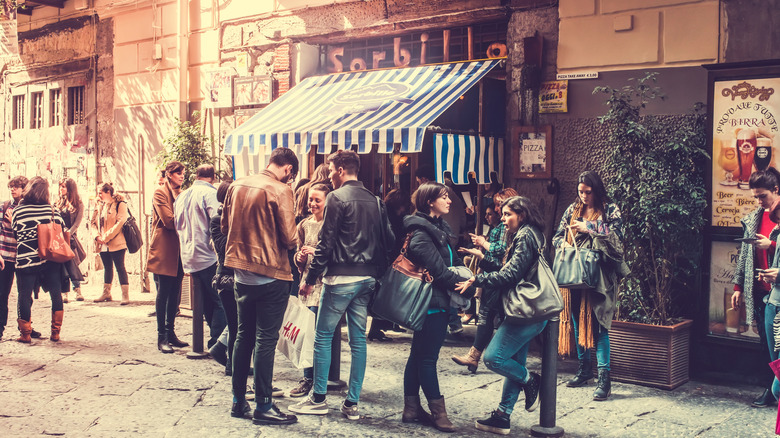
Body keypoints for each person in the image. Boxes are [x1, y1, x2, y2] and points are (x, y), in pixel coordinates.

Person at [290, 150, 394, 421]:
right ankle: (352, 404)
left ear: (339, 170)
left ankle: (319, 398)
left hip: (340, 279)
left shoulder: (336, 197)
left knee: (323, 336)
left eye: (331, 170)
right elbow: (389, 241)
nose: (330, 175)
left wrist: (310, 280)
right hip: (367, 279)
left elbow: (325, 244)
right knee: (359, 341)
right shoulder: (375, 200)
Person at [455, 196, 548, 435]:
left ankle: (530, 380)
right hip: (527, 310)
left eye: (507, 214)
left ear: (522, 214)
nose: (503, 219)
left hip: (527, 311)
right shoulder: (528, 234)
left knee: (493, 357)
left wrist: (478, 279)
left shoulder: (526, 236)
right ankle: (503, 416)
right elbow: (507, 270)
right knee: (513, 362)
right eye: (503, 214)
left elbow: (511, 275)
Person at [221, 147, 299, 425]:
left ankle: (238, 401)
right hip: (271, 273)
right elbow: (290, 238)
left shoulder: (237, 184)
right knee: (265, 341)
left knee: (243, 337)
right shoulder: (280, 189)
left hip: (241, 273)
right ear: (288, 169)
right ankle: (264, 405)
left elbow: (223, 226)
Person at [399, 181, 470, 432]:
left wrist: (465, 274)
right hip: (431, 302)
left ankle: (411, 409)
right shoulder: (423, 232)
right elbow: (439, 271)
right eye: (444, 197)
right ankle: (439, 414)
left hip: (436, 300)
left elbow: (450, 260)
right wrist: (464, 285)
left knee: (418, 355)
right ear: (430, 202)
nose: (449, 201)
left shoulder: (437, 227)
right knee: (427, 358)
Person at [553, 171, 624, 402]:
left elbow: (618, 237)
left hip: (600, 275)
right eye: (580, 191)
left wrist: (590, 228)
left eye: (587, 192)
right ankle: (584, 371)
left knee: (601, 324)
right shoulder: (571, 210)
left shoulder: (610, 208)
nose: (583, 196)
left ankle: (605, 380)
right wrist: (563, 241)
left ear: (596, 190)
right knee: (576, 321)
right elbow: (556, 236)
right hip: (575, 273)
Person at [452, 188, 518, 373]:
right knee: (488, 315)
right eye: (498, 206)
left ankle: (493, 356)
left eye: (500, 205)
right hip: (494, 273)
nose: (498, 210)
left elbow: (503, 250)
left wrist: (483, 245)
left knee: (496, 315)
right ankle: (475, 357)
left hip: (502, 276)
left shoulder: (516, 229)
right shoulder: (502, 226)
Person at [733, 168, 780, 408]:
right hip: (762, 291)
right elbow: (744, 255)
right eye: (755, 197)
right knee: (768, 345)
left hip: (779, 293)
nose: (759, 202)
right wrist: (738, 286)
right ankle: (770, 390)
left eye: (762, 196)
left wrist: (770, 245)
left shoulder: (778, 217)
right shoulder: (754, 217)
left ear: (776, 190)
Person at [174, 164, 227, 349]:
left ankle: (213, 340)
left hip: (188, 255)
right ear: (213, 177)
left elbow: (176, 225)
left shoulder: (181, 196)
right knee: (220, 300)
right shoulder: (210, 194)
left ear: (196, 176)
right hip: (208, 255)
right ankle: (217, 343)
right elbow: (218, 224)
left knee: (205, 300)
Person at [12, 177, 66, 343]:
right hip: (50, 259)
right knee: (56, 294)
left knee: (24, 295)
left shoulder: (18, 211)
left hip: (26, 260)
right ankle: (55, 333)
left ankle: (25, 334)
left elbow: (16, 233)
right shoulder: (52, 211)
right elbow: (61, 230)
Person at [289, 183, 330, 397]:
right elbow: (297, 257)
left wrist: (315, 251)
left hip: (323, 283)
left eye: (317, 200)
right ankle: (308, 378)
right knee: (306, 332)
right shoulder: (303, 224)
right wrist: (300, 258)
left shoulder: (330, 225)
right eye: (311, 200)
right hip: (306, 283)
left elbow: (332, 256)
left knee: (318, 335)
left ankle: (318, 380)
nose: (313, 203)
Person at [148, 161, 188, 354]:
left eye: (183, 173)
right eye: (178, 173)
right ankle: (161, 337)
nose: (181, 176)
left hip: (179, 249)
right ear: (170, 174)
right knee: (163, 292)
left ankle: (171, 332)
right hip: (165, 248)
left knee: (176, 293)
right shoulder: (160, 192)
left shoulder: (181, 193)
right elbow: (169, 221)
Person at [367, 189, 412, 341]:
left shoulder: (381, 213)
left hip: (379, 259)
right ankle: (377, 328)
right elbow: (394, 240)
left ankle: (384, 324)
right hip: (389, 260)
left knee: (384, 294)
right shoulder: (394, 219)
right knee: (385, 294)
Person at [90, 183, 131, 305]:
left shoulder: (120, 204)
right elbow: (92, 222)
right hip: (102, 242)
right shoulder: (99, 205)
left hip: (116, 241)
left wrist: (107, 237)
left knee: (120, 267)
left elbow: (121, 222)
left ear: (108, 192)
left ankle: (125, 295)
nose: (99, 195)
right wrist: (97, 236)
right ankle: (106, 293)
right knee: (107, 267)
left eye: (101, 193)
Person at [210, 180, 235, 375]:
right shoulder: (216, 219)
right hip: (226, 278)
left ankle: (221, 350)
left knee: (240, 323)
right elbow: (224, 247)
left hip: (241, 276)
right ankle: (232, 366)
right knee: (235, 324)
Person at [0, 176, 28, 340]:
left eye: (16, 187)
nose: (13, 189)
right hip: (6, 257)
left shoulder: (28, 209)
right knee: (2, 294)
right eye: (11, 186)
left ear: (24, 189)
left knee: (25, 295)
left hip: (24, 257)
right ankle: (1, 328)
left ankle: (25, 328)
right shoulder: (4, 206)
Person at [57, 178, 85, 303]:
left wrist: (68, 233)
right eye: (60, 186)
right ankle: (64, 293)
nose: (61, 189)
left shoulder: (78, 204)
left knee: (73, 264)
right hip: (59, 238)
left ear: (70, 188)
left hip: (71, 238)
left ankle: (77, 289)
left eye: (64, 186)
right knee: (62, 266)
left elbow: (77, 223)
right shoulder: (57, 203)